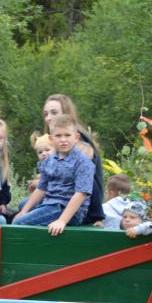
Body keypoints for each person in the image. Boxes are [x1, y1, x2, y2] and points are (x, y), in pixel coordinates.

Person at [13, 114, 94, 235]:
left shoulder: (83, 162)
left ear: (76, 137)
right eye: (58, 136)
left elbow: (80, 194)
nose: (63, 140)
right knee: (22, 207)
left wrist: (62, 221)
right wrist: (24, 211)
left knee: (19, 224)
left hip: (67, 209)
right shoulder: (49, 160)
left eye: (67, 135)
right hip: (51, 203)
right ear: (51, 139)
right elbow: (41, 188)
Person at [40, 94, 105, 225]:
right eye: (46, 114)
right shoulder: (58, 140)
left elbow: (78, 182)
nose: (49, 118)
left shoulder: (78, 143)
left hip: (78, 205)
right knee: (24, 205)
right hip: (59, 198)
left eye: (54, 113)